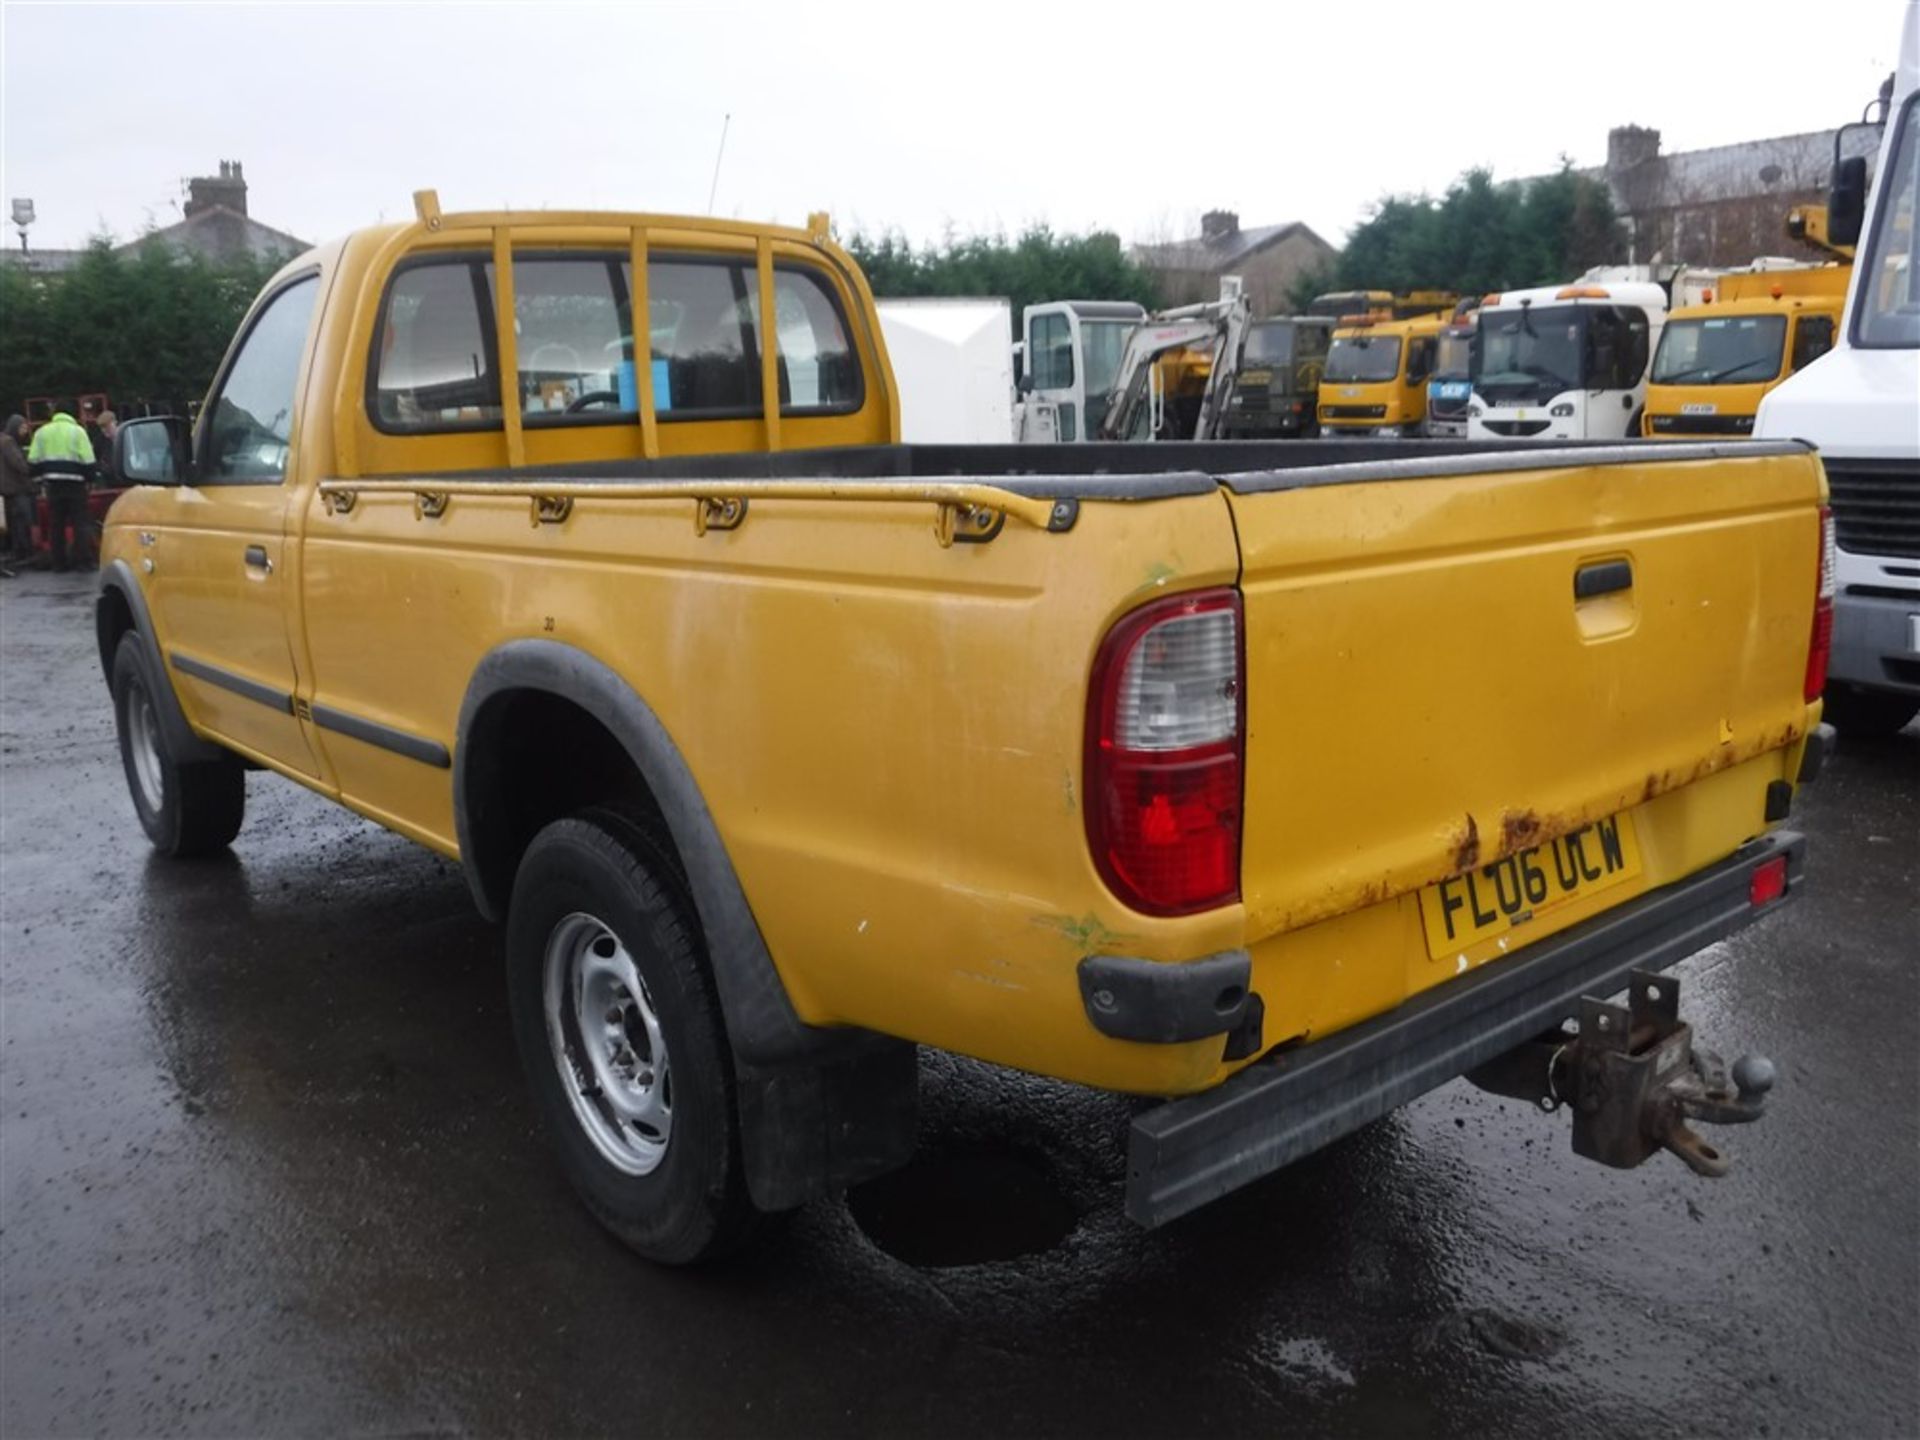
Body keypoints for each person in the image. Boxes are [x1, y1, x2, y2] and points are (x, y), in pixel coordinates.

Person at [26, 403, 98, 573]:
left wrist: (39, 480)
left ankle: (59, 563)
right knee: (80, 523)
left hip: (53, 485)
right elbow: (88, 459)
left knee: (56, 525)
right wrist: (90, 480)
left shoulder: (42, 432)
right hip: (76, 485)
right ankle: (83, 562)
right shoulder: (78, 431)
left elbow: (33, 461)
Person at [0, 415, 33, 571]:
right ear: (15, 427)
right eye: (23, 428)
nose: (25, 432)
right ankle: (24, 552)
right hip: (16, 488)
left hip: (6, 489)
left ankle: (17, 551)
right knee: (22, 521)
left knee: (13, 523)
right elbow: (19, 464)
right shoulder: (8, 442)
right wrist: (29, 468)